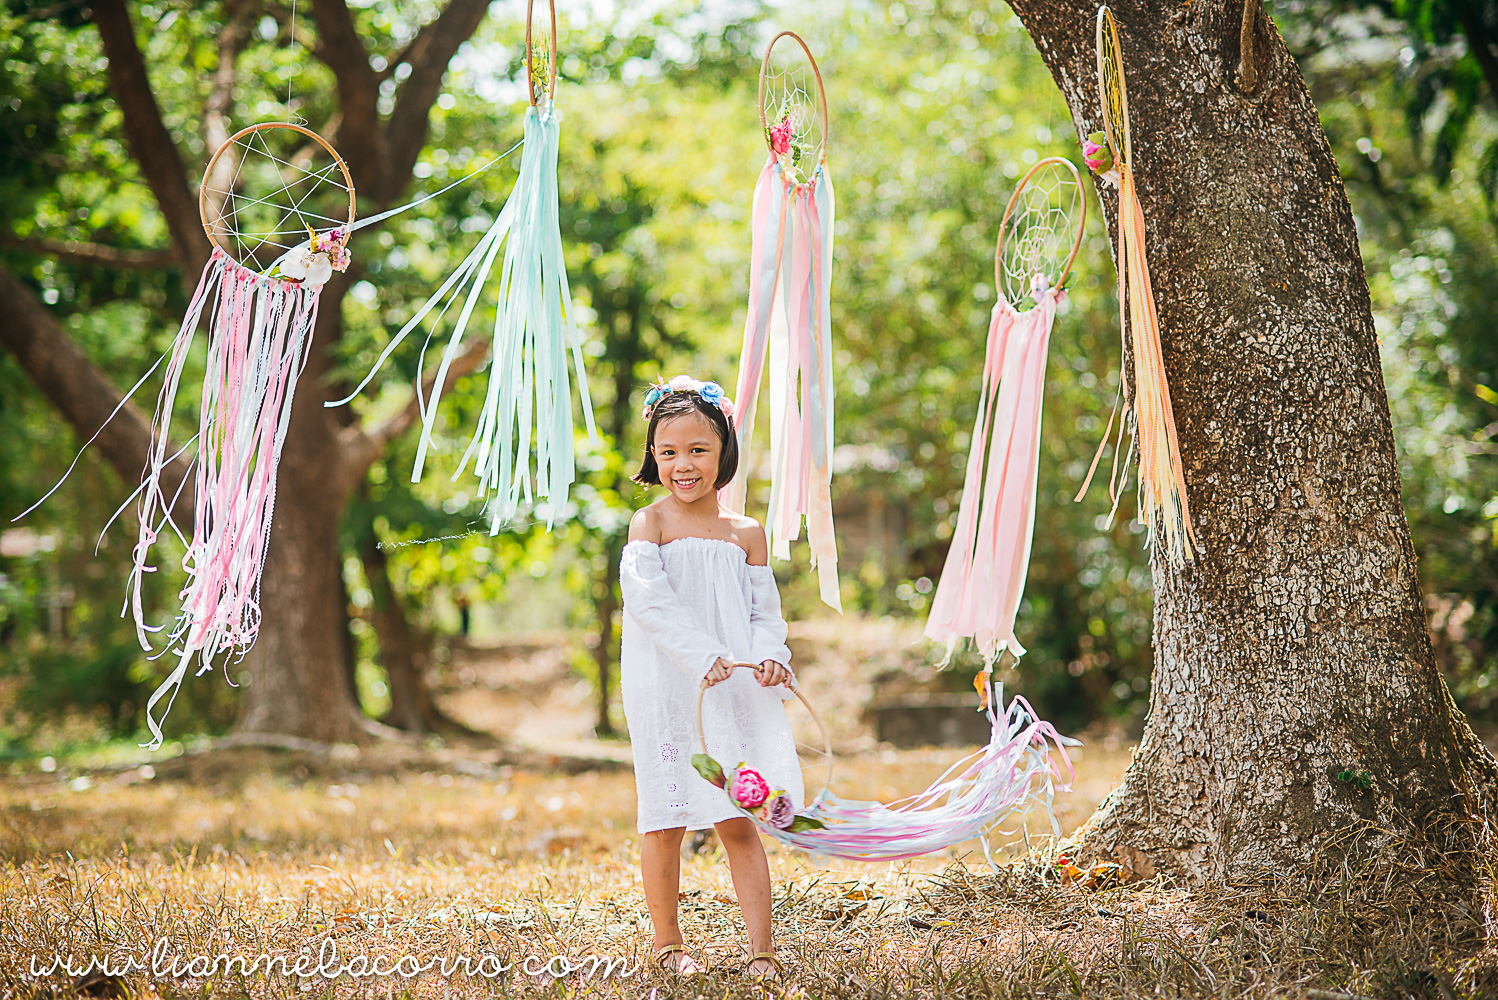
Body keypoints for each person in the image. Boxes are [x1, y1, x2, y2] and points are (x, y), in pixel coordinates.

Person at [619, 375, 801, 982]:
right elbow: (650, 604)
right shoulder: (650, 524)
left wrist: (771, 653)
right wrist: (700, 655)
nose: (683, 464)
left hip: (732, 689)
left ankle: (761, 949)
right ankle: (668, 943)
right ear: (653, 456)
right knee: (665, 816)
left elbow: (762, 614)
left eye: (698, 449)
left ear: (723, 450)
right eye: (668, 452)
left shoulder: (745, 533)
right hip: (669, 689)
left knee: (738, 818)